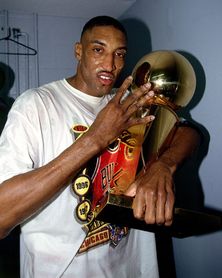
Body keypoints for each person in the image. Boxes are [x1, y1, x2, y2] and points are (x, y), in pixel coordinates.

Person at [0, 16, 200, 277]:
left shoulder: (131, 102)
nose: (110, 64)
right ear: (78, 51)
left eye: (119, 54)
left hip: (133, 268)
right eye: (98, 50)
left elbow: (188, 132)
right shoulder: (36, 104)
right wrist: (95, 139)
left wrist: (163, 166)